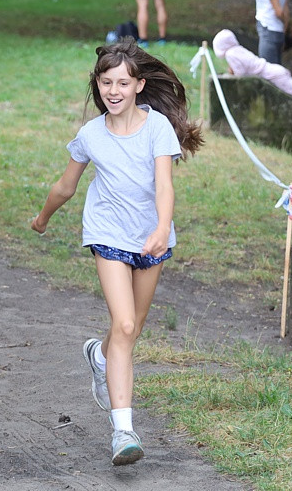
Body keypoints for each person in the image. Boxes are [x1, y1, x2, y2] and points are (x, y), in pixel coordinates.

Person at [31, 39, 203, 466]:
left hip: (151, 238)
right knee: (124, 322)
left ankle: (99, 354)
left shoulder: (158, 128)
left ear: (139, 85)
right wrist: (43, 218)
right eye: (106, 82)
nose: (113, 90)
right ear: (98, 84)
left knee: (130, 330)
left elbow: (165, 185)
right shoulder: (91, 135)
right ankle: (123, 431)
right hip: (107, 234)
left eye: (122, 83)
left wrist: (163, 228)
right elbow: (66, 186)